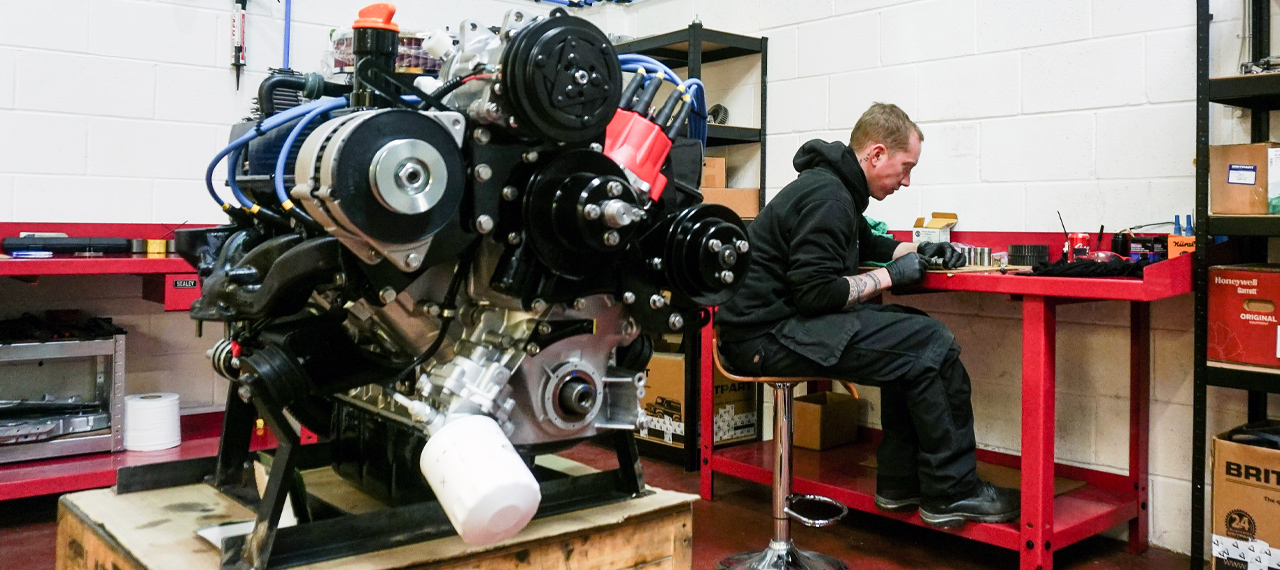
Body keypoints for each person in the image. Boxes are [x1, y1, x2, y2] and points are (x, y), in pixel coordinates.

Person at [715, 102, 1019, 527]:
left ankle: (899, 483)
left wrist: (916, 252)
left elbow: (865, 243)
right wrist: (890, 277)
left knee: (914, 336)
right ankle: (953, 491)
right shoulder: (829, 197)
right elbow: (815, 293)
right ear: (876, 155)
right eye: (905, 166)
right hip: (765, 337)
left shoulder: (833, 190)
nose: (907, 180)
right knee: (931, 344)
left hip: (769, 329)